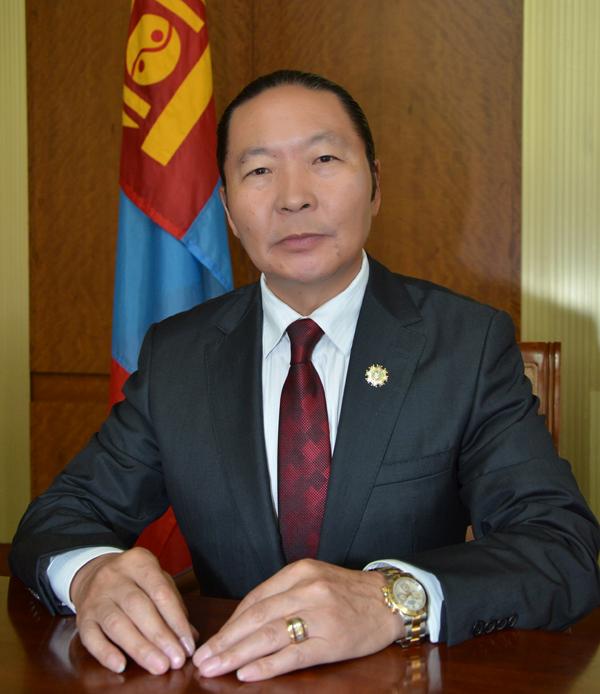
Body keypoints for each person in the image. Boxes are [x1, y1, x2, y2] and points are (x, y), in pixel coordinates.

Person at [10, 70, 600, 682]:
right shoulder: (179, 356)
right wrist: (90, 573)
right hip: (228, 677)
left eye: (324, 159)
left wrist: (394, 599)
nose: (293, 198)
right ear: (228, 211)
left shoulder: (465, 345)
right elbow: (60, 517)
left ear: (375, 186)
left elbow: (560, 547)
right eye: (259, 170)